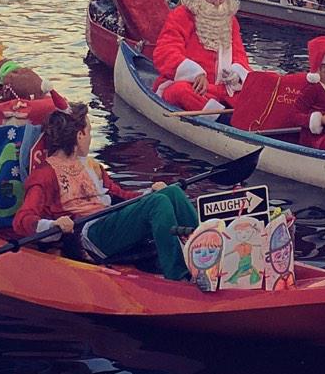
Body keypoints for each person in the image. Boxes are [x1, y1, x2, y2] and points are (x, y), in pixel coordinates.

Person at [13, 103, 198, 279]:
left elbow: (121, 196)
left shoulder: (93, 166)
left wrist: (150, 191)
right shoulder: (44, 175)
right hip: (90, 235)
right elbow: (22, 219)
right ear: (79, 135)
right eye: (90, 132)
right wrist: (52, 226)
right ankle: (178, 275)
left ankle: (203, 249)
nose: (90, 137)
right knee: (159, 203)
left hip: (110, 221)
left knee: (170, 193)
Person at [152, 0, 251, 113]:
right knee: (181, 91)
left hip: (222, 89)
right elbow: (165, 51)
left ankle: (232, 117)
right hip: (190, 85)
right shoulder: (181, 16)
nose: (217, 4)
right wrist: (196, 73)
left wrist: (236, 74)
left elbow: (239, 54)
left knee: (256, 90)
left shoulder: (230, 20)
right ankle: (221, 120)